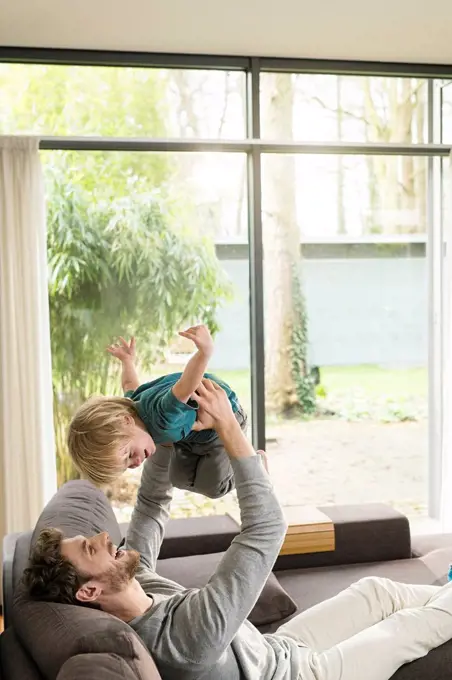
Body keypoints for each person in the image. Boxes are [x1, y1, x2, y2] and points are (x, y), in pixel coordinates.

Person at [25, 380, 452, 680]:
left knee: (375, 591)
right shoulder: (183, 640)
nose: (105, 537)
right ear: (89, 592)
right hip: (306, 675)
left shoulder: (137, 581)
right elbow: (265, 531)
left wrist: (163, 433)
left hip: (276, 649)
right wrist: (228, 426)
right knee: (409, 627)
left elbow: (153, 504)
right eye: (90, 548)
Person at [67, 325, 246, 497]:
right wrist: (127, 361)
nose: (136, 463)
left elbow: (185, 386)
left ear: (125, 421)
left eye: (129, 455)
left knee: (214, 487)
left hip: (223, 422)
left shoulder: (163, 417)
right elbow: (129, 384)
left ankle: (254, 465)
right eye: (128, 466)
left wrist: (204, 353)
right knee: (177, 479)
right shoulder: (134, 405)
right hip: (193, 438)